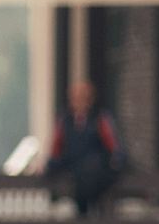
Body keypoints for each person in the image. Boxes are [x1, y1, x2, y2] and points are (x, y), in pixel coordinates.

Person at [46, 82, 125, 216]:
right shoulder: (65, 120)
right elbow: (56, 148)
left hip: (96, 174)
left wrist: (117, 160)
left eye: (84, 98)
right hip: (75, 173)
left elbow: (113, 145)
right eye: (77, 98)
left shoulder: (100, 118)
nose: (80, 102)